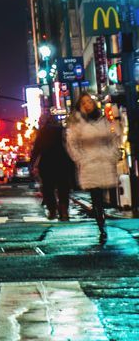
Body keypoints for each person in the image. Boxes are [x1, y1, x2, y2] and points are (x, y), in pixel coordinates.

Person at [65, 93, 123, 242]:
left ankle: (102, 219)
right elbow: (72, 143)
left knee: (103, 196)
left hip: (104, 161)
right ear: (80, 106)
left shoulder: (102, 120)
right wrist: (80, 158)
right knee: (96, 197)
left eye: (89, 102)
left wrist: (113, 154)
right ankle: (101, 225)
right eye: (84, 103)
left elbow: (113, 138)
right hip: (89, 163)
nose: (87, 105)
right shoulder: (77, 123)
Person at [30, 113, 74, 221]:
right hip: (63, 161)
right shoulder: (62, 130)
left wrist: (32, 163)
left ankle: (52, 210)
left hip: (47, 163)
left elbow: (36, 149)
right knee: (63, 188)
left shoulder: (42, 132)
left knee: (48, 188)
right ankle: (64, 211)